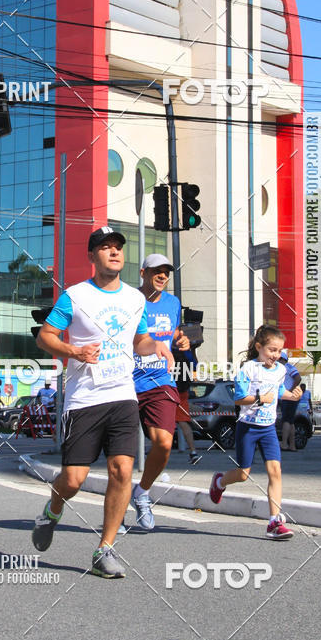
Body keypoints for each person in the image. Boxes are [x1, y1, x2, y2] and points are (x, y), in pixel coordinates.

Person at [31, 226, 174, 579]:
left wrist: (155, 345)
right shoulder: (75, 296)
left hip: (122, 395)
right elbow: (45, 337)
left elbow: (138, 339)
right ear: (92, 256)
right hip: (84, 399)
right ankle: (51, 511)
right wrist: (73, 350)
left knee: (122, 470)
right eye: (105, 247)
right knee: (74, 480)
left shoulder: (134, 299)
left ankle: (103, 550)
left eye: (118, 248)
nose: (114, 252)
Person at [209, 324, 302, 540]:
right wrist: (260, 399)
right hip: (248, 427)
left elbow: (279, 392)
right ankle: (220, 482)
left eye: (279, 351)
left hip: (268, 428)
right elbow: (239, 399)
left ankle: (274, 522)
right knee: (243, 474)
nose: (276, 355)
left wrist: (292, 395)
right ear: (259, 347)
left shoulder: (280, 370)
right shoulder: (247, 369)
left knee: (275, 472)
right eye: (271, 350)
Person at [129, 254, 191, 532]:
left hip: (160, 380)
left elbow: (173, 331)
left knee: (164, 443)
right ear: (143, 272)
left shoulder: (173, 302)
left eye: (167, 271)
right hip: (126, 381)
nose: (163, 275)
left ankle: (142, 492)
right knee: (120, 455)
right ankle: (113, 513)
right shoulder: (128, 299)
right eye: (157, 271)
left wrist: (181, 339)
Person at [173, 346, 200, 463]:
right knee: (183, 422)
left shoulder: (167, 346)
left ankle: (160, 449)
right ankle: (193, 451)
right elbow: (195, 365)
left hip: (168, 388)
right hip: (183, 390)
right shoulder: (187, 351)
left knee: (161, 421)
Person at [278, 350, 301, 452]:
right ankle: (292, 445)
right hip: (290, 397)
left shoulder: (287, 367)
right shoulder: (282, 368)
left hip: (289, 397)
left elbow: (298, 378)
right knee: (291, 421)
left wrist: (290, 391)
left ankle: (284, 443)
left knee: (286, 420)